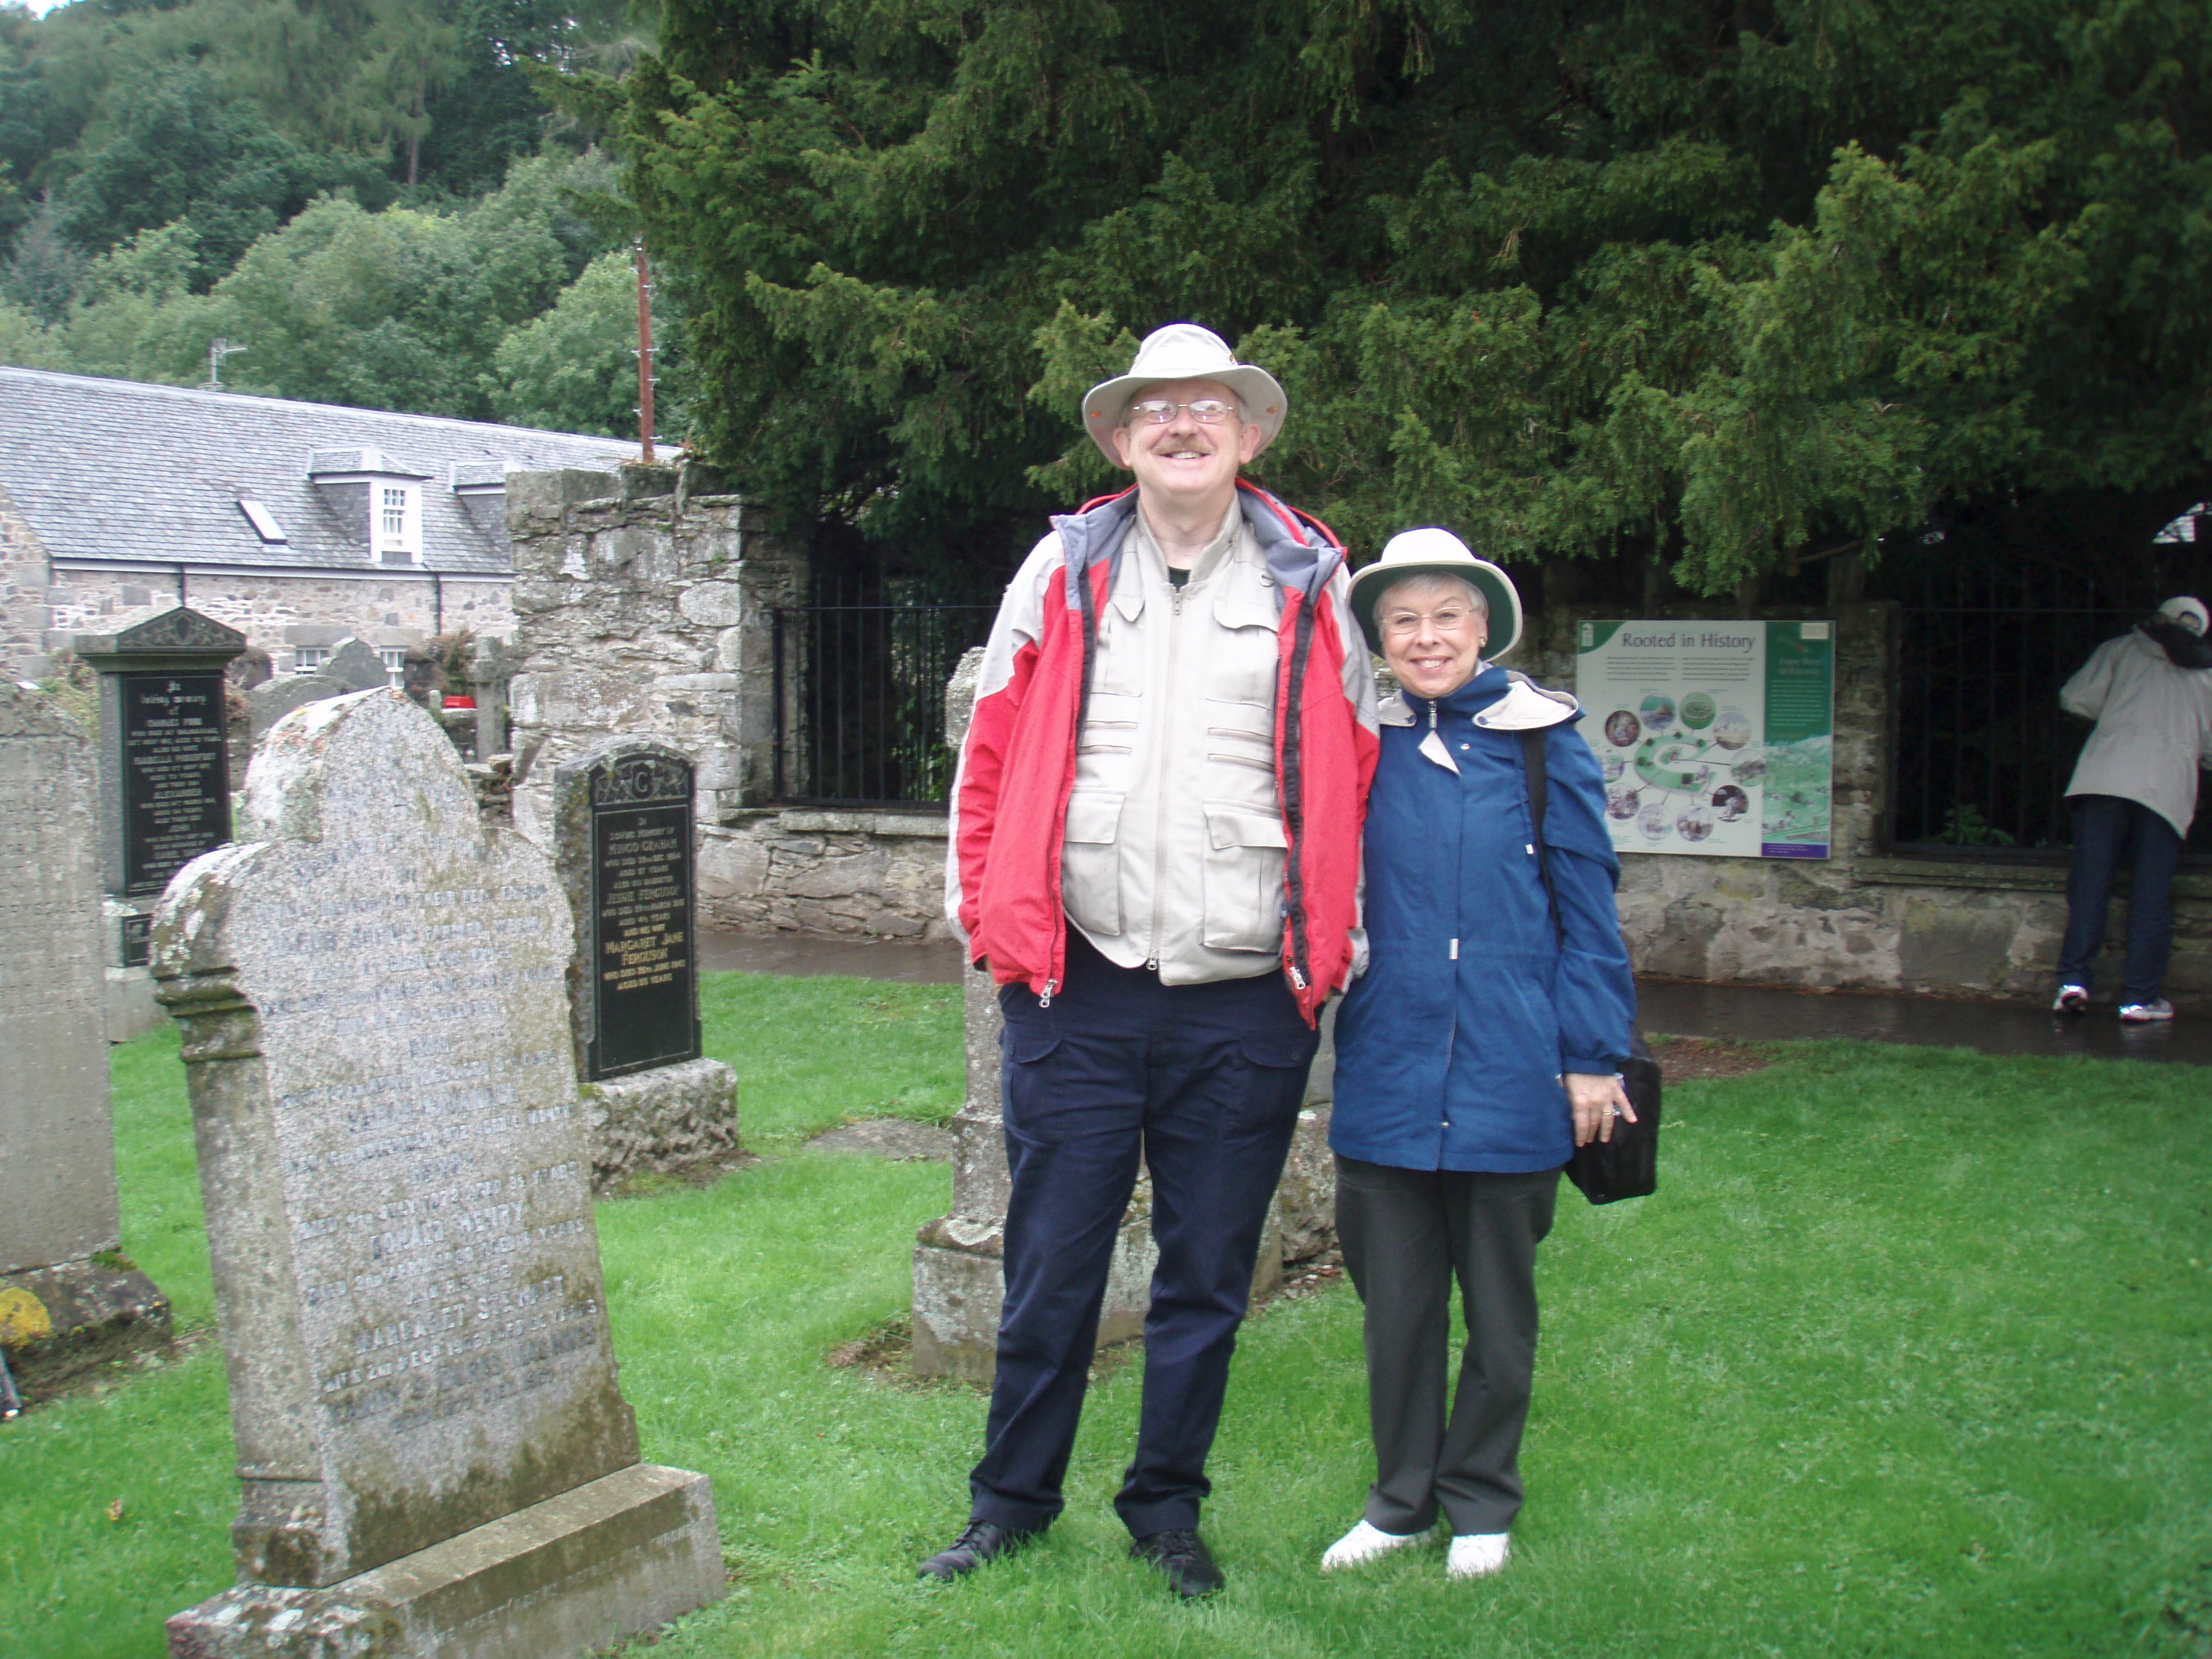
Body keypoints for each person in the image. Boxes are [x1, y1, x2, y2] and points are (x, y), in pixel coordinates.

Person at [922, 323, 1380, 1597]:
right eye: (1156, 410)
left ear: (1248, 434)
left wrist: (1331, 940)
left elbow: (1359, 763)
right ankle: (1008, 1502)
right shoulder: (1062, 570)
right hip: (1079, 978)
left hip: (1245, 995)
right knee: (1051, 1264)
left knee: (1206, 1277)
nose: (1182, 426)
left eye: (1209, 408)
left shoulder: (1310, 579)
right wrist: (984, 914)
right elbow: (992, 754)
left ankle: (1164, 1508)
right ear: (1122, 440)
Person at [1318, 529, 1635, 1582]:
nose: (1427, 637)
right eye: (1403, 620)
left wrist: (1595, 1056)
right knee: (1396, 1310)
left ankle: (1482, 1502)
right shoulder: (1354, 740)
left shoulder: (1546, 745)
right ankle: (1400, 1499)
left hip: (1512, 1068)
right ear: (1379, 637)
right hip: (1389, 1065)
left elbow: (1590, 917)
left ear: (1484, 626)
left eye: (1447, 615)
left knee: (1500, 1313)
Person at [2051, 595, 2212, 1023]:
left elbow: (2075, 698)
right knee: (2150, 896)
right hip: (2165, 789)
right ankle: (2139, 999)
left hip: (2104, 776)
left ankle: (2074, 981)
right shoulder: (2206, 675)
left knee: (2090, 885)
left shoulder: (2120, 650)